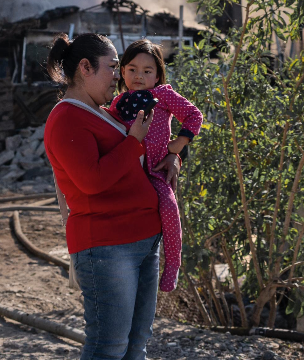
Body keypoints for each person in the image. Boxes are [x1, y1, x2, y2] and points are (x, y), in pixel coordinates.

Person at [42, 33, 180, 360]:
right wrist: (133, 141)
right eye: (114, 67)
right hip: (108, 246)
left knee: (136, 345)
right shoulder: (66, 118)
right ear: (86, 67)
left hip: (143, 238)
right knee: (109, 347)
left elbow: (150, 152)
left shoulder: (104, 112)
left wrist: (173, 154)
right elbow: (92, 181)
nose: (119, 76)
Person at [108, 39, 202, 291]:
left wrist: (177, 146)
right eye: (132, 69)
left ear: (158, 74)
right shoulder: (118, 104)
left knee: (170, 211)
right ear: (122, 71)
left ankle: (172, 265)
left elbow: (194, 115)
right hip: (127, 173)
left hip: (156, 172)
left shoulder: (164, 95)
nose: (139, 76)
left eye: (147, 71)